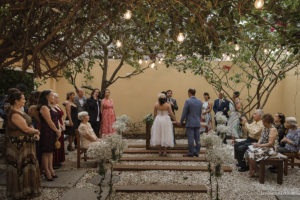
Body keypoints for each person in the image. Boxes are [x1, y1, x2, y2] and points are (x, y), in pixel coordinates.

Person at [5, 91, 41, 199]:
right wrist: (36, 132)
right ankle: (20, 192)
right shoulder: (14, 113)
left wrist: (34, 133)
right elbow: (25, 128)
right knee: (20, 168)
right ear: (16, 101)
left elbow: (28, 123)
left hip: (26, 144)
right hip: (19, 146)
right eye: (23, 99)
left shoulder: (20, 111)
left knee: (28, 167)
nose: (25, 100)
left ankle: (28, 190)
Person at [38, 90, 61, 181]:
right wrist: (56, 130)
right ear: (47, 97)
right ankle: (46, 170)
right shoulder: (44, 107)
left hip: (52, 131)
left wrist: (58, 129)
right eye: (52, 96)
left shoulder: (50, 106)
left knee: (51, 151)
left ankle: (51, 168)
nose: (53, 98)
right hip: (47, 131)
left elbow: (56, 120)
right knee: (46, 152)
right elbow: (49, 121)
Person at [180, 89, 203, 157]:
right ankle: (197, 152)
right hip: (197, 122)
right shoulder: (199, 101)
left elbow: (184, 112)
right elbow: (200, 112)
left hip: (190, 122)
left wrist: (181, 121)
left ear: (189, 93)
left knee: (190, 138)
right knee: (197, 138)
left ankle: (191, 152)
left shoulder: (188, 101)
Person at [52, 93, 65, 168]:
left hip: (61, 124)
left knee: (61, 142)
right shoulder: (52, 107)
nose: (58, 99)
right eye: (57, 98)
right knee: (57, 142)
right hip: (57, 125)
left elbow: (61, 117)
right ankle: (55, 161)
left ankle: (60, 159)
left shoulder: (57, 106)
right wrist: (60, 126)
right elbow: (56, 118)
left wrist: (63, 124)